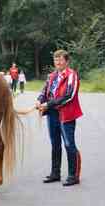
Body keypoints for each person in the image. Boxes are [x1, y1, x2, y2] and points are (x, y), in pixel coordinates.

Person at [35, 49, 83, 186]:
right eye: (56, 60)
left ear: (67, 61)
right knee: (55, 144)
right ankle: (55, 173)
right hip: (52, 114)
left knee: (69, 144)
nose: (58, 63)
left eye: (61, 60)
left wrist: (48, 104)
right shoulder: (51, 76)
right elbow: (44, 91)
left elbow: (69, 96)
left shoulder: (72, 75)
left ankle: (73, 176)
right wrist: (39, 100)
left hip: (66, 115)